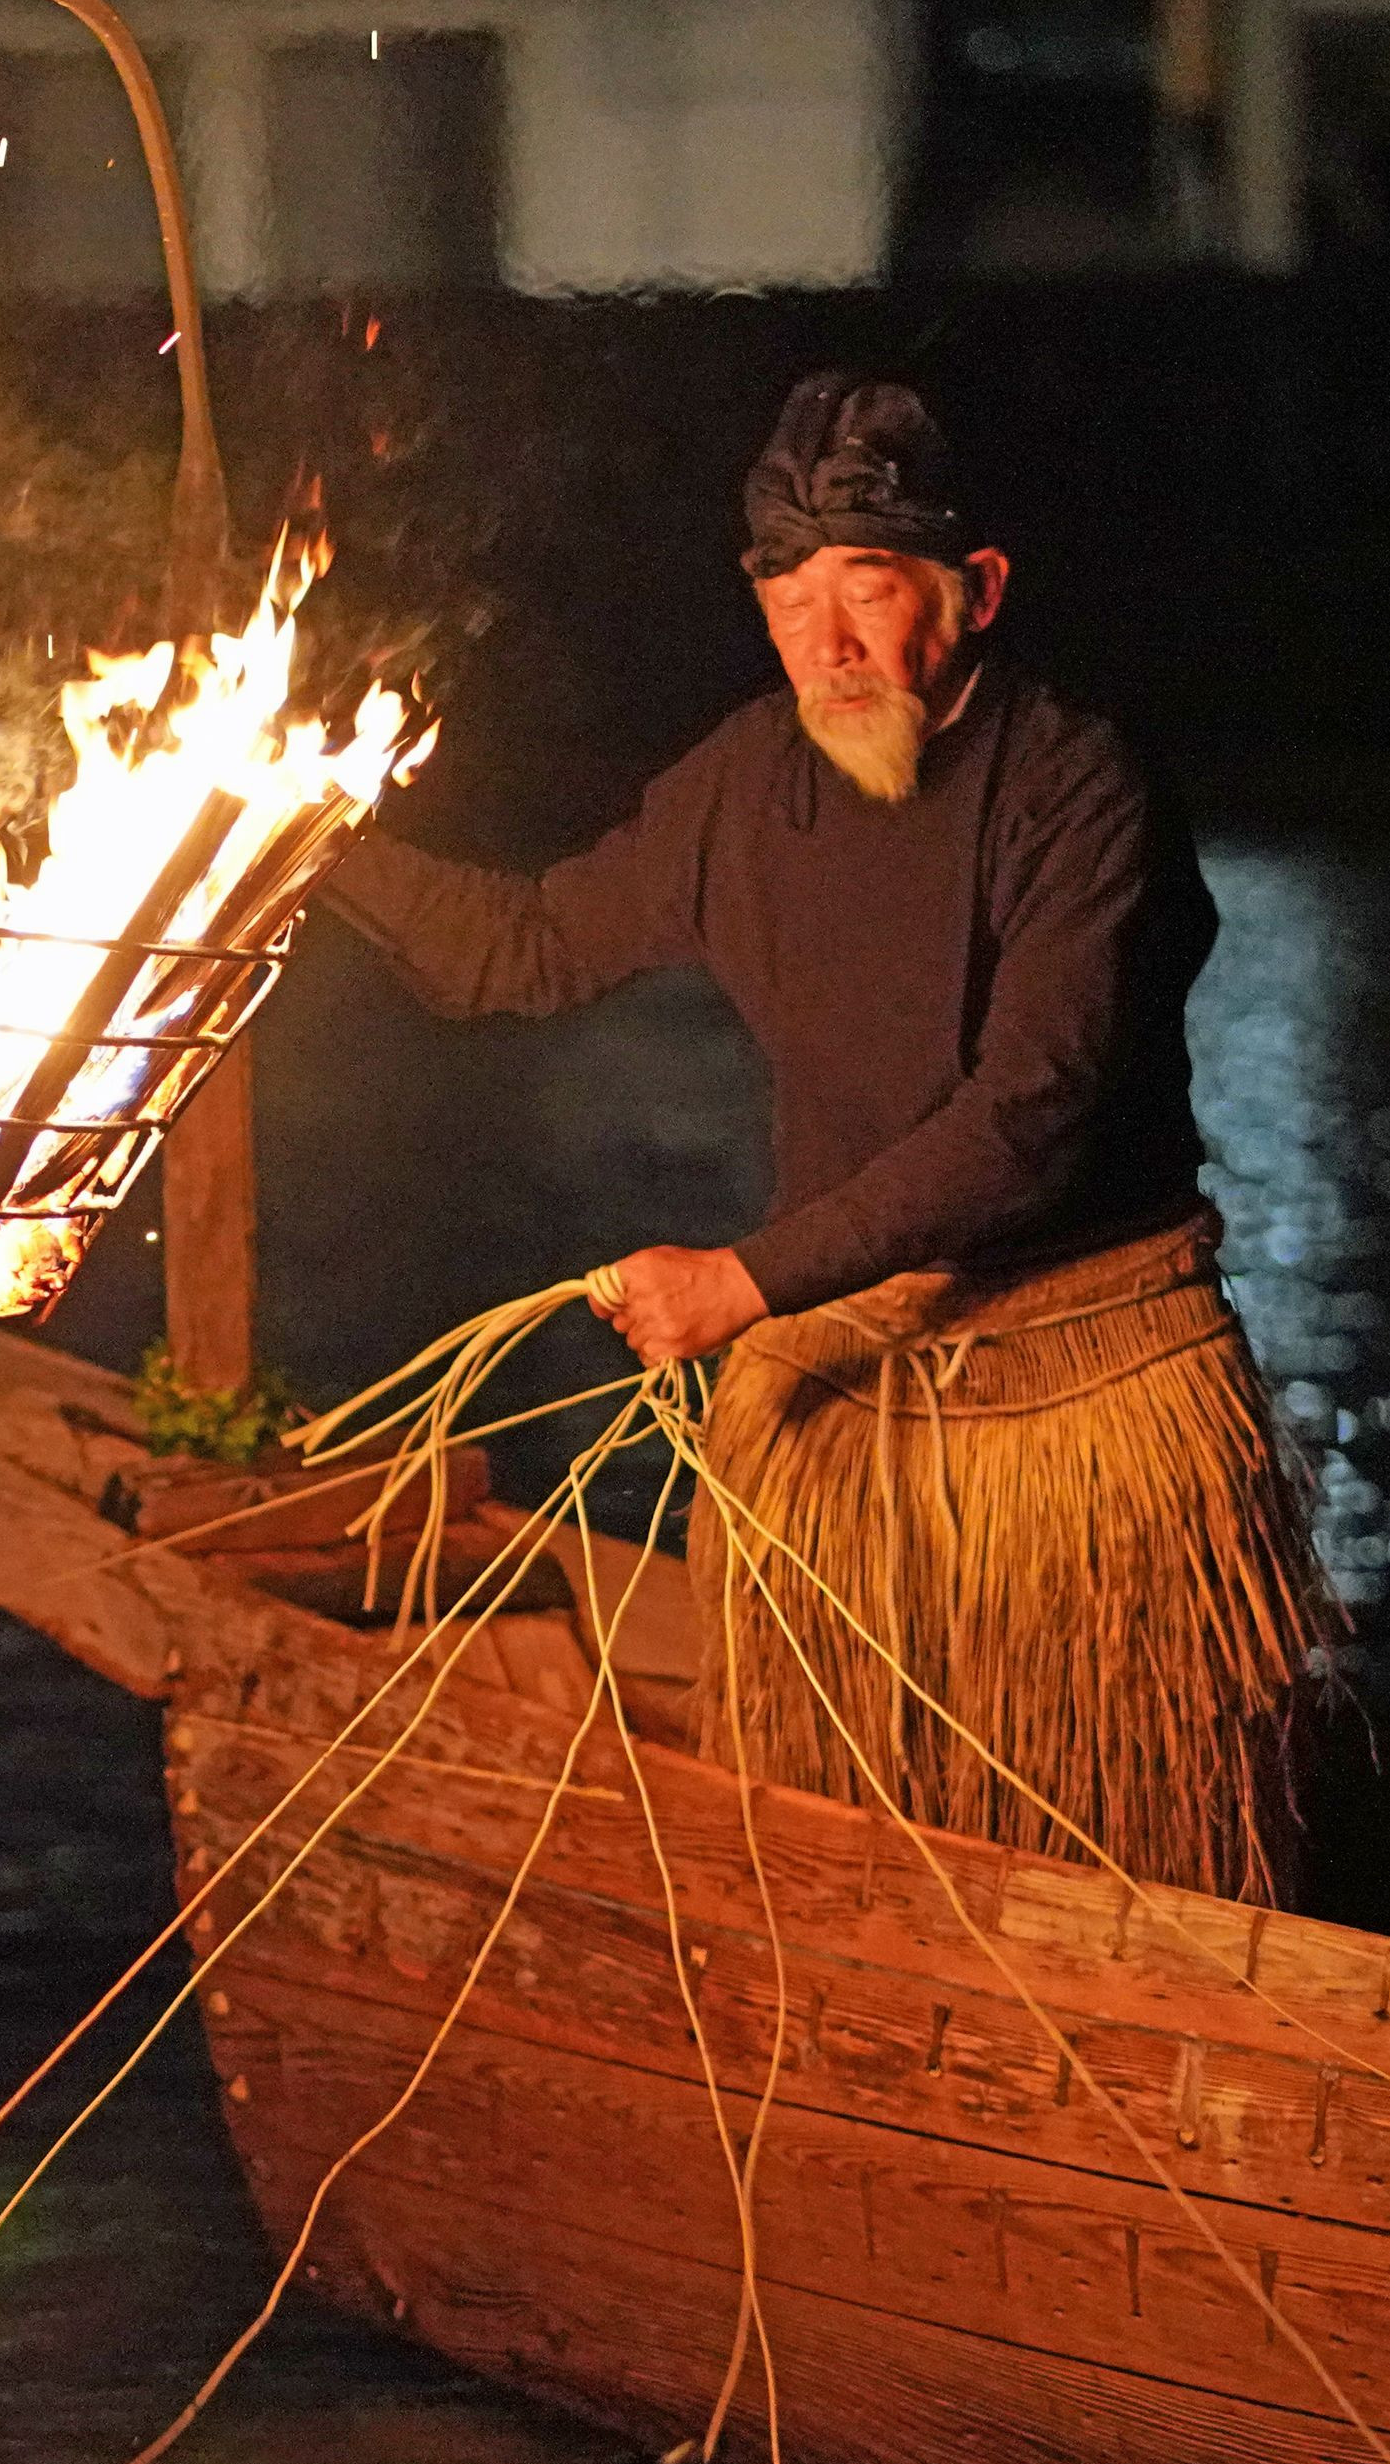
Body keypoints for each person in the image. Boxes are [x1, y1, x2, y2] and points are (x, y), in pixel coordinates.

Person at [326, 372, 1329, 1903]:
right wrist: (291, 826)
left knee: (1124, 1878)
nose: (827, 644)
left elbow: (1026, 1119)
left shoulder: (1076, 784)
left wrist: (741, 1282)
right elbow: (513, 949)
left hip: (1085, 1388)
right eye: (788, 601)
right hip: (837, 1389)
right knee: (833, 1859)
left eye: (866, 588)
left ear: (973, 589)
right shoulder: (744, 782)